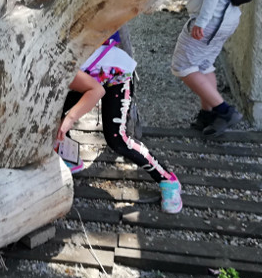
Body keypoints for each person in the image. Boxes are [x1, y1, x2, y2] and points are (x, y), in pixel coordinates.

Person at [57, 34, 182, 214]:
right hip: (90, 76)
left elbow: (96, 91)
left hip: (116, 76)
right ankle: (70, 158)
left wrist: (69, 120)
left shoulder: (59, 66)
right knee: (54, 112)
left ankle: (168, 180)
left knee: (117, 140)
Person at [171, 0, 243, 136]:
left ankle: (225, 111)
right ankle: (207, 114)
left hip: (213, 19)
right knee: (203, 65)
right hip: (224, 17)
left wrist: (201, 21)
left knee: (182, 65)